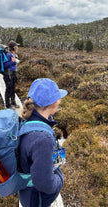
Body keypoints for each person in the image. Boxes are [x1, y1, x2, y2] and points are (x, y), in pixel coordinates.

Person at [18, 78, 68, 207]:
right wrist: (59, 180)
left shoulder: (30, 121)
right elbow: (44, 183)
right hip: (37, 199)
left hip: (28, 193)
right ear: (55, 103)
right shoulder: (42, 139)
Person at [3, 40, 20, 108]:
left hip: (13, 73)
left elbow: (13, 63)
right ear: (13, 47)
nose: (17, 47)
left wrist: (16, 59)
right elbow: (5, 65)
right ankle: (8, 104)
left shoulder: (13, 54)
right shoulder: (8, 54)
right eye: (16, 46)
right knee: (8, 89)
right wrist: (12, 62)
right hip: (8, 74)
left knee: (13, 88)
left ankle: (13, 102)